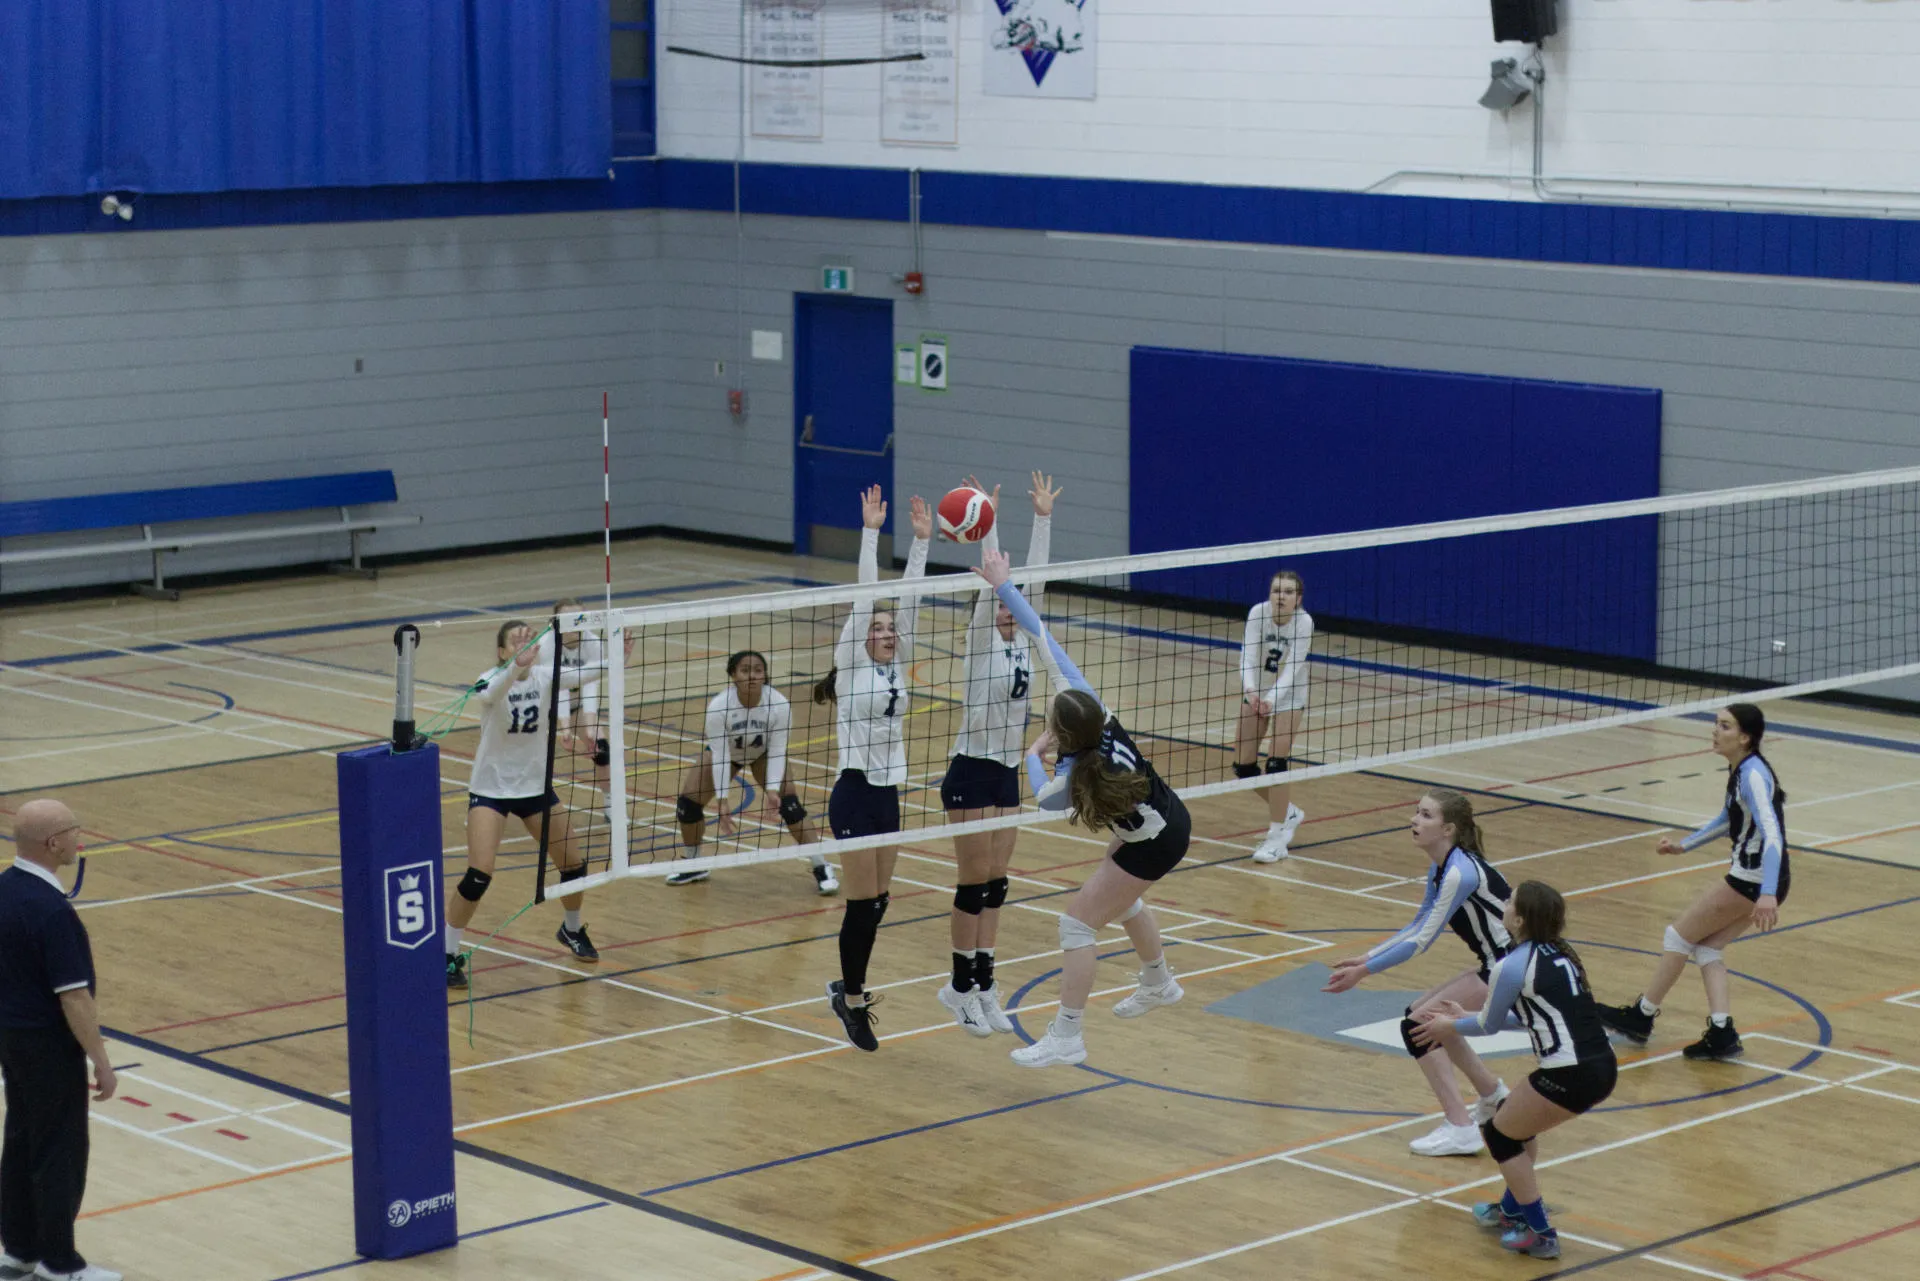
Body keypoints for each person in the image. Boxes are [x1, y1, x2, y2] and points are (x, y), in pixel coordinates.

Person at [974, 547, 1187, 1068]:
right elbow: (1043, 637)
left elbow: (1044, 800)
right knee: (1121, 901)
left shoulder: (1071, 775)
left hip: (1153, 840)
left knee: (1077, 925)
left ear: (1064, 733)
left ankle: (1068, 1034)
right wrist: (1004, 585)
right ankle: (1158, 980)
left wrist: (1032, 753)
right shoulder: (1099, 712)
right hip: (1165, 820)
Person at [1415, 880, 1618, 1261]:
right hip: (1599, 1064)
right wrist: (1467, 1017)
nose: (1504, 903)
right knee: (1515, 1125)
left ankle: (1540, 1231)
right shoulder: (1562, 953)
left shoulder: (1511, 966)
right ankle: (1511, 1211)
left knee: (1501, 1135)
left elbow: (1489, 1027)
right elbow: (1534, 1017)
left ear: (1520, 919)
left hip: (1570, 1072)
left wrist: (1451, 1026)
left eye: (1510, 901)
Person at [1322, 789, 1513, 1156]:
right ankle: (1492, 1096)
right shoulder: (1442, 867)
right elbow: (1418, 924)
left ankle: (1461, 1128)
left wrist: (1365, 972)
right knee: (1425, 1018)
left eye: (1426, 816)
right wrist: (1367, 957)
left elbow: (1421, 942)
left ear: (1448, 829)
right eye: (1416, 812)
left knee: (1418, 1027)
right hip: (1499, 964)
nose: (1414, 820)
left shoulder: (1460, 873)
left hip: (1512, 970)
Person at [937, 471, 1059, 1037]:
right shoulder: (982, 640)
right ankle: (958, 986)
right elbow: (997, 582)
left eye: (1015, 605)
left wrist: (1042, 517)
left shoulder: (1026, 644)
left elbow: (1025, 586)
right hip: (970, 769)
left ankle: (985, 982)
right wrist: (987, 520)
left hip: (1006, 772)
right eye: (1003, 603)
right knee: (972, 881)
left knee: (997, 883)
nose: (1011, 608)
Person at [1595, 703, 1786, 1061]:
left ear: (1745, 738)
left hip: (1754, 879)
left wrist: (1769, 892)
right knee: (1708, 948)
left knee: (1678, 936)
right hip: (1759, 880)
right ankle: (1721, 1032)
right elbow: (1729, 819)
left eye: (1725, 726)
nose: (1715, 731)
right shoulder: (1742, 770)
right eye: (1716, 724)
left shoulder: (1754, 775)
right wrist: (1685, 845)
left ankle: (1642, 1016)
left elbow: (1772, 834)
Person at [818, 486, 932, 1051]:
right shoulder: (850, 665)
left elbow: (907, 601)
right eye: (877, 631)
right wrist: (870, 532)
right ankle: (853, 1000)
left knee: (880, 901)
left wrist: (920, 542)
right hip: (856, 791)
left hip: (890, 793)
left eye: (891, 631)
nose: (886, 634)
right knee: (862, 904)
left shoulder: (897, 662)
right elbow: (867, 598)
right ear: (860, 639)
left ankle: (849, 985)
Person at [445, 621, 608, 989]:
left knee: (573, 865)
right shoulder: (489, 679)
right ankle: (447, 954)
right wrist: (516, 667)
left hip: (534, 788)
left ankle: (571, 929)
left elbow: (587, 673)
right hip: (491, 789)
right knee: (479, 874)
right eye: (515, 641)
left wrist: (619, 657)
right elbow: (494, 692)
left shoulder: (546, 676)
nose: (524, 643)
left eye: (528, 638)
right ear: (502, 652)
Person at [0, 800, 119, 1281]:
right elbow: (75, 999)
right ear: (53, 843)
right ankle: (59, 1262)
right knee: (59, 1151)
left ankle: (18, 1251)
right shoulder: (51, 911)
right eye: (74, 830)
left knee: (22, 1139)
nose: (79, 837)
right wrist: (101, 1062)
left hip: (11, 1040)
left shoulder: (3, 891)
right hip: (49, 1045)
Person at [666, 649, 838, 895]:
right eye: (745, 670)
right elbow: (720, 755)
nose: (752, 676)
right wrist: (723, 800)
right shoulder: (719, 707)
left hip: (764, 754)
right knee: (688, 805)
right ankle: (695, 864)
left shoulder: (778, 704)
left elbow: (778, 750)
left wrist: (771, 791)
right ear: (733, 675)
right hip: (729, 754)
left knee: (790, 806)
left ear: (765, 675)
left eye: (758, 670)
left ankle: (822, 867)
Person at [1232, 570, 1312, 863]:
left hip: (1289, 696)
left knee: (1276, 763)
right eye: (1277, 590)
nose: (1281, 596)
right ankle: (1288, 811)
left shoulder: (1304, 622)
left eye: (1289, 592)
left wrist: (1270, 700)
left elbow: (1293, 669)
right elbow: (1247, 657)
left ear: (1298, 598)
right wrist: (1253, 692)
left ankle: (1277, 838)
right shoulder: (1258, 613)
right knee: (1243, 767)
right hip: (1257, 692)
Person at [538, 598, 613, 825]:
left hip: (576, 706)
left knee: (602, 749)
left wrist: (590, 729)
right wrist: (565, 730)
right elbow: (557, 687)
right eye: (569, 620)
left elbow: (590, 685)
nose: (575, 625)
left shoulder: (593, 642)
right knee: (526, 758)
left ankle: (611, 804)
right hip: (542, 708)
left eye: (579, 619)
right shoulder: (546, 645)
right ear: (556, 623)